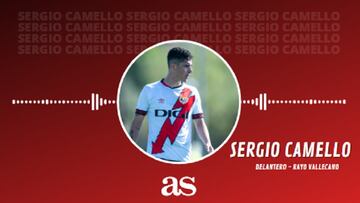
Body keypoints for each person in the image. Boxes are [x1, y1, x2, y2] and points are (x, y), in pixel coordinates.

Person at [129, 47, 214, 162]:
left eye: (191, 66)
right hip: (156, 158)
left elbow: (199, 122)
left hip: (184, 160)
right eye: (186, 66)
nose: (190, 70)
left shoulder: (192, 92)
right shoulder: (150, 90)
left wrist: (207, 142)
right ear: (174, 66)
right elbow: (137, 124)